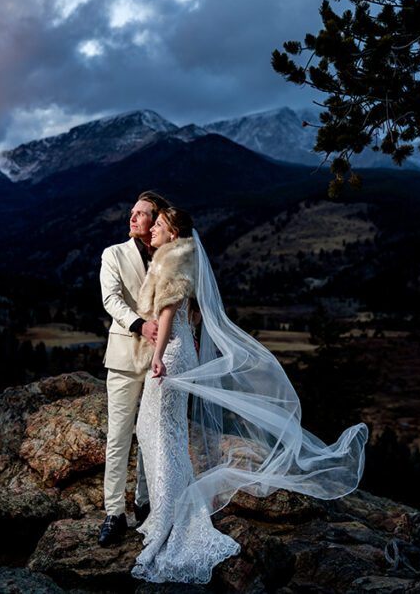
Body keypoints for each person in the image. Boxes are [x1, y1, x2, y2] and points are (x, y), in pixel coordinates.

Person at [130, 207, 368, 584]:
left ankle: (168, 517)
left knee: (161, 435)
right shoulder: (178, 260)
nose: (152, 230)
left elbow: (169, 313)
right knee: (165, 434)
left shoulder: (171, 265)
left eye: (158, 225)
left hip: (169, 355)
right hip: (179, 352)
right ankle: (168, 511)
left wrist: (157, 358)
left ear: (173, 234)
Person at [98, 191, 172, 547]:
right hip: (125, 355)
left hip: (162, 358)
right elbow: (110, 299)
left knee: (150, 434)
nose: (133, 217)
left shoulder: (168, 255)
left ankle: (144, 504)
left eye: (142, 214)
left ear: (155, 220)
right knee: (119, 435)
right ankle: (114, 513)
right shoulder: (113, 254)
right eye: (132, 212)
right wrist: (140, 324)